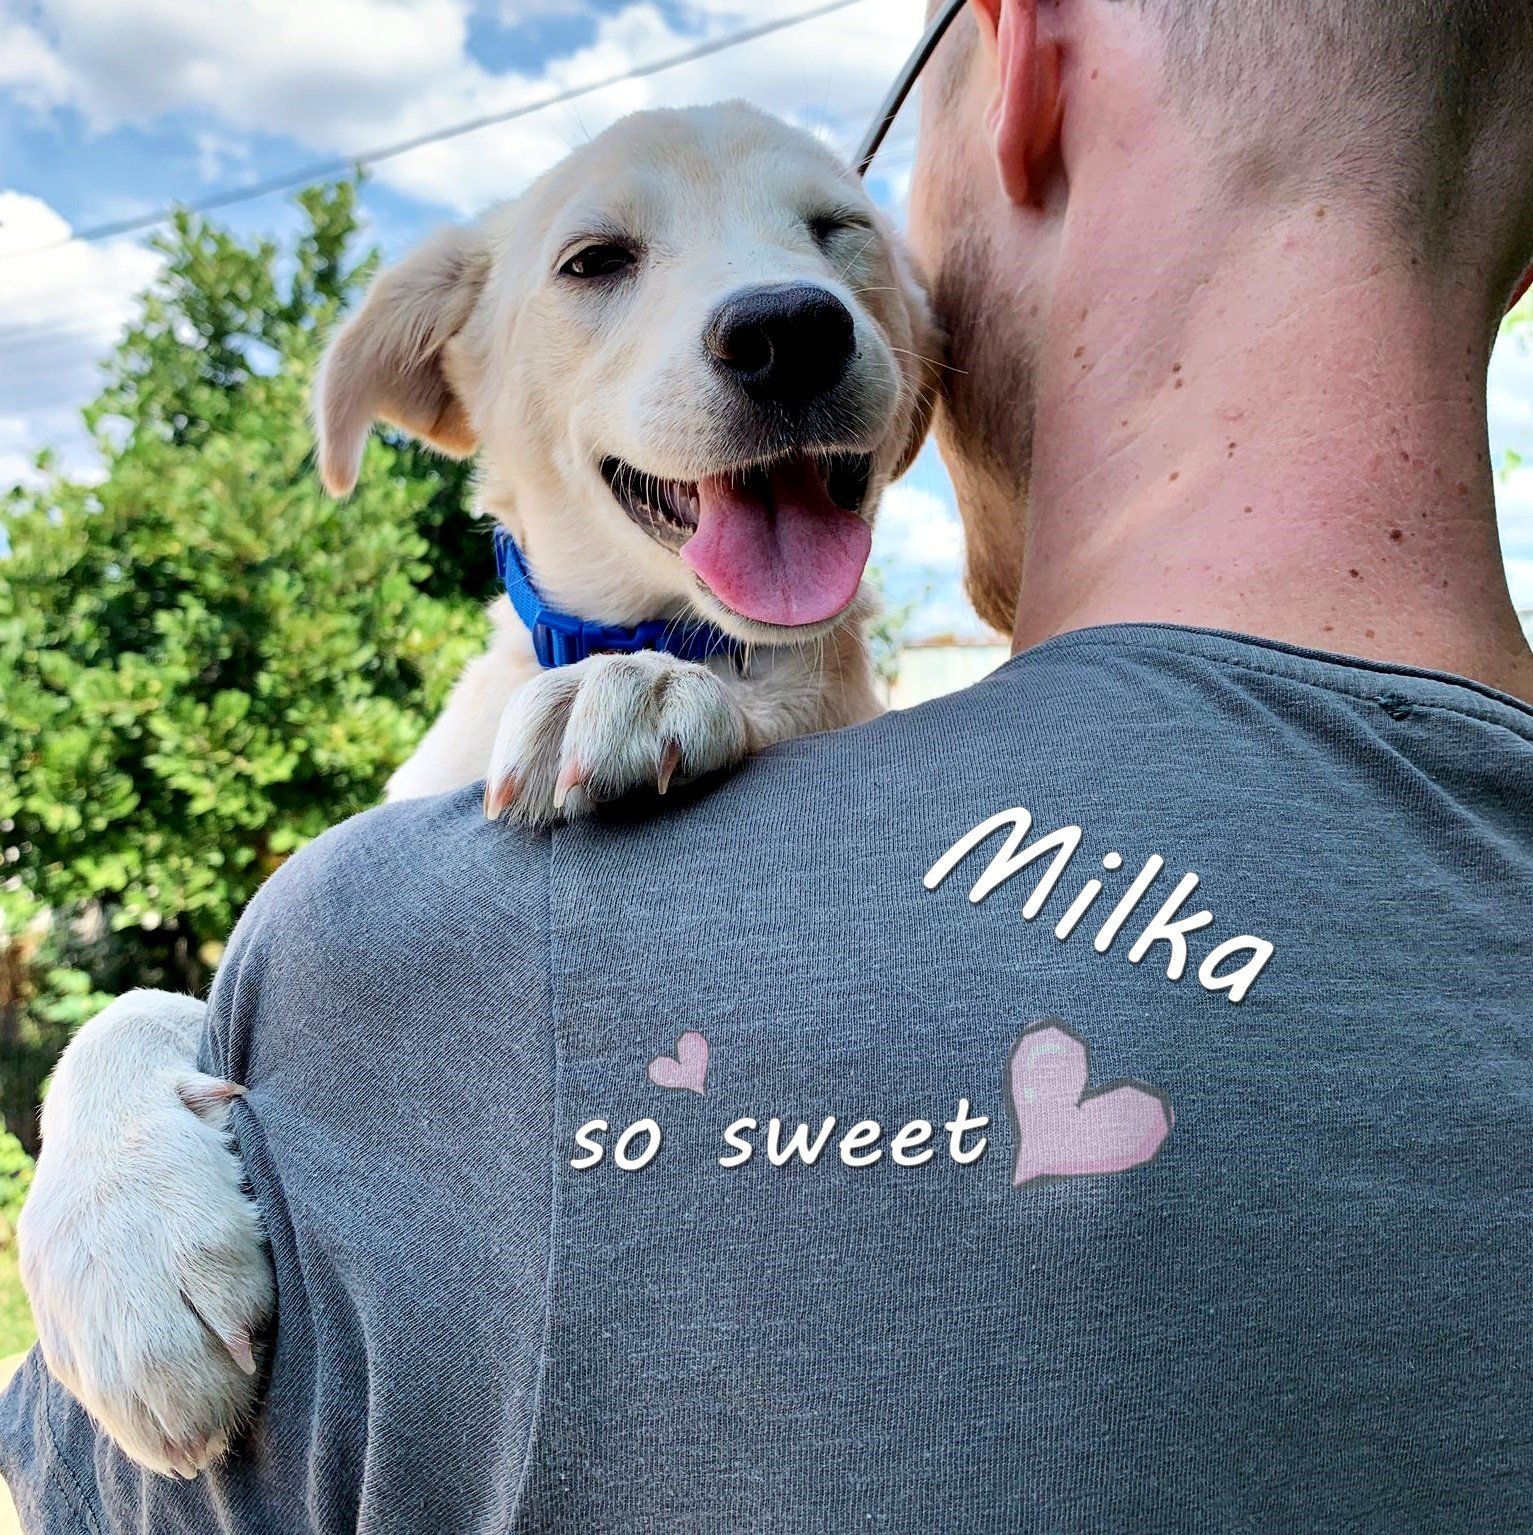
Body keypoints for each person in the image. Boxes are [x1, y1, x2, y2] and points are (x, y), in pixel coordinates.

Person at [3, 0, 1531, 1529]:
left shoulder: (385, 930)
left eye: (831, 230)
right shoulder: (382, 884)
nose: (772, 301)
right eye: (600, 262)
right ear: (449, 376)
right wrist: (115, 1093)